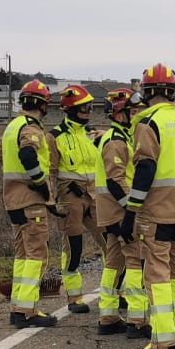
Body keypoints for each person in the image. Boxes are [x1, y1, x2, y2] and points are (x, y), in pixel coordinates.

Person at [123, 64, 175, 349]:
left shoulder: (147, 124)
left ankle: (163, 344)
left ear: (147, 93)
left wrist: (131, 211)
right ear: (172, 92)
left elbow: (145, 169)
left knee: (157, 276)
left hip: (156, 214)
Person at [0, 79, 57, 327]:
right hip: (30, 201)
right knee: (37, 255)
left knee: (22, 255)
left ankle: (18, 307)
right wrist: (40, 183)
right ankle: (28, 311)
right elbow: (27, 154)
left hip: (12, 200)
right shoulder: (31, 128)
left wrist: (16, 181)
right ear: (43, 105)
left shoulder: (11, 127)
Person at [95, 89, 148, 337]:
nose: (137, 115)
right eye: (133, 111)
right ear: (119, 114)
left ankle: (108, 316)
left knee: (114, 262)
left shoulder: (120, 137)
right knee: (135, 260)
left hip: (111, 211)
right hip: (119, 211)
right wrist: (131, 210)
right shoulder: (116, 141)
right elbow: (115, 181)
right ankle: (138, 319)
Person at [48, 84, 103, 314]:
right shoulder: (55, 137)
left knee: (110, 241)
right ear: (70, 109)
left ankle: (116, 291)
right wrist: (50, 200)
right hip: (70, 195)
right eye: (83, 107)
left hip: (94, 194)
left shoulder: (91, 134)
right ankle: (74, 296)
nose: (88, 111)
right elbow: (50, 171)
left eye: (90, 107)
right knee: (74, 246)